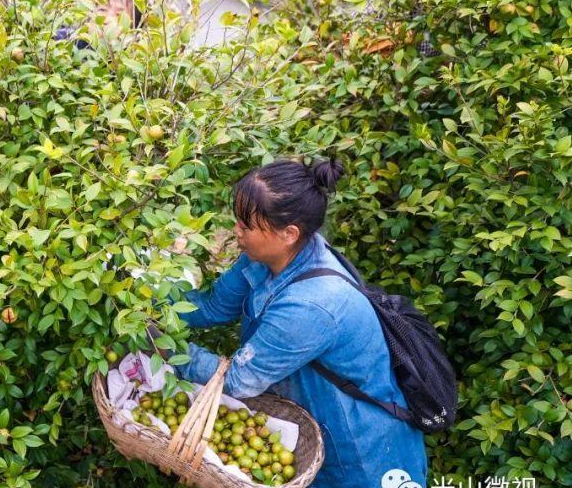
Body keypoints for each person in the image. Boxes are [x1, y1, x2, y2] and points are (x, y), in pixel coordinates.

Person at [165, 159, 427, 487]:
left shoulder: (311, 304)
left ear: (289, 233)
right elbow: (215, 306)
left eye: (247, 225)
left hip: (361, 455)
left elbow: (239, 381)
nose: (236, 231)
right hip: (307, 432)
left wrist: (165, 347)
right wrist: (150, 303)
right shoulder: (266, 257)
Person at [54, 0, 144, 48]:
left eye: (118, 15)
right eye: (103, 10)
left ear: (133, 29)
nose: (106, 19)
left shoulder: (132, 65)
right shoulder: (65, 41)